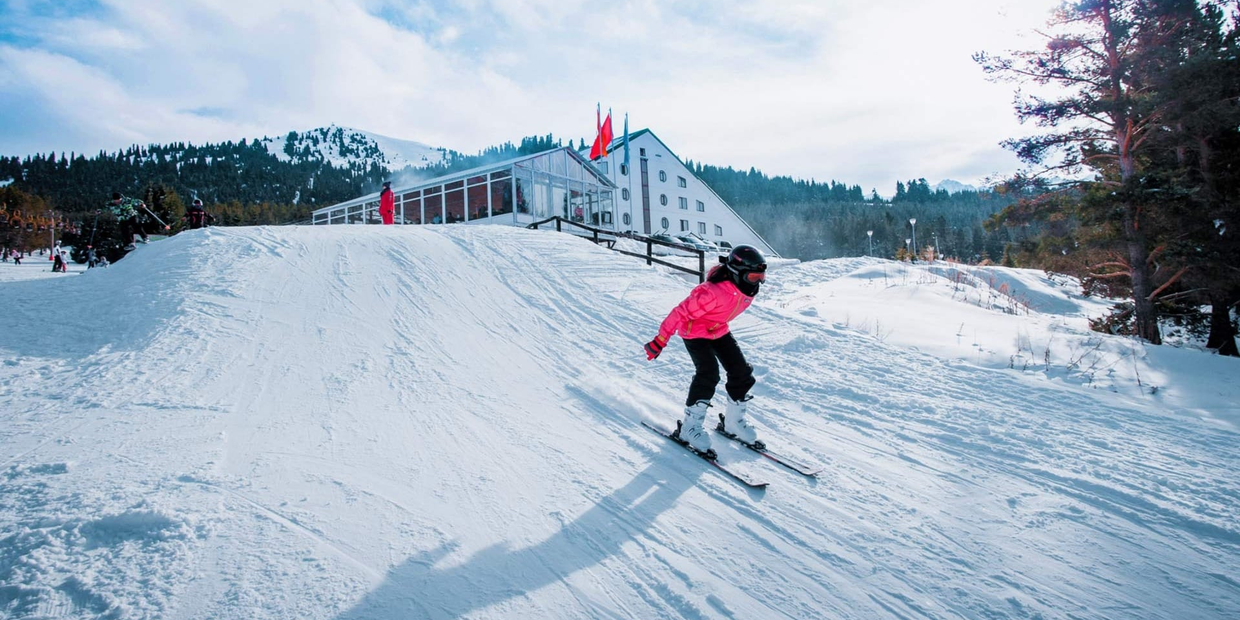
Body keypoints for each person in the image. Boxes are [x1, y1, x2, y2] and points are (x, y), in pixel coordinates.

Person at [644, 245, 768, 454]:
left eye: (761, 277)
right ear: (738, 273)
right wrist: (660, 340)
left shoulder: (745, 288)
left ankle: (733, 422)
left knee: (741, 372)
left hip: (718, 329)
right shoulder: (711, 292)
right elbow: (678, 313)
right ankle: (690, 427)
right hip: (695, 331)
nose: (758, 283)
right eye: (754, 277)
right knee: (708, 374)